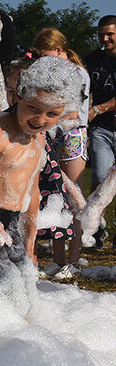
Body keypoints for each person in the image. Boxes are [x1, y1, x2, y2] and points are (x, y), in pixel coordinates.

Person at [0, 58, 77, 309]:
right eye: (33, 108)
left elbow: (33, 193)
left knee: (27, 280)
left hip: (12, 222)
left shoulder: (39, 141)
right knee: (6, 284)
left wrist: (30, 242)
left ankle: (21, 334)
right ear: (19, 96)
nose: (40, 118)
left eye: (52, 114)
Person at [32, 27, 90, 269]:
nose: (40, 60)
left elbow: (73, 111)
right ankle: (57, 260)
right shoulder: (54, 70)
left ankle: (73, 261)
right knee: (55, 196)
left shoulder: (77, 72)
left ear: (58, 49)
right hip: (54, 134)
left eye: (43, 54)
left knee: (74, 198)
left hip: (72, 135)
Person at [84, 15, 116, 246]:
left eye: (110, 34)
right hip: (101, 129)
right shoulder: (92, 60)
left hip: (101, 116)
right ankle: (95, 230)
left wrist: (97, 108)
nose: (104, 39)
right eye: (101, 34)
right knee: (100, 177)